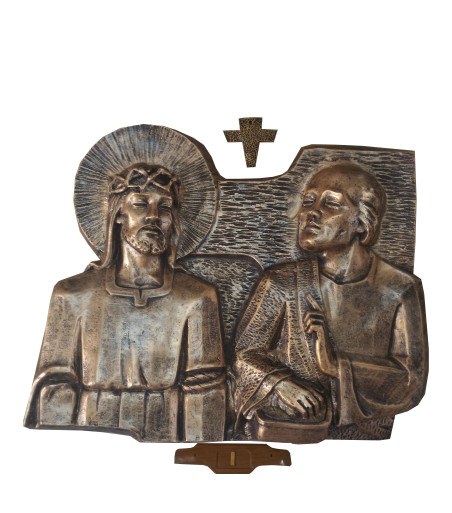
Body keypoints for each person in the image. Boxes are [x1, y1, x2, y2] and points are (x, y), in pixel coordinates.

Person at [24, 164, 226, 442]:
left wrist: (199, 446)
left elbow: (207, 389)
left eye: (165, 207)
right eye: (141, 204)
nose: (154, 216)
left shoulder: (196, 297)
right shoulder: (73, 295)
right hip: (92, 432)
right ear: (119, 213)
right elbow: (53, 385)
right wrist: (65, 448)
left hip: (166, 430)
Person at [233, 162, 428, 442]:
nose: (310, 212)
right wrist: (280, 385)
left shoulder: (399, 289)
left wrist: (334, 365)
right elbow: (243, 356)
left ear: (363, 221)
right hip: (294, 423)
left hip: (365, 433)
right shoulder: (281, 283)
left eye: (331, 203)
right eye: (308, 201)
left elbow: (410, 380)